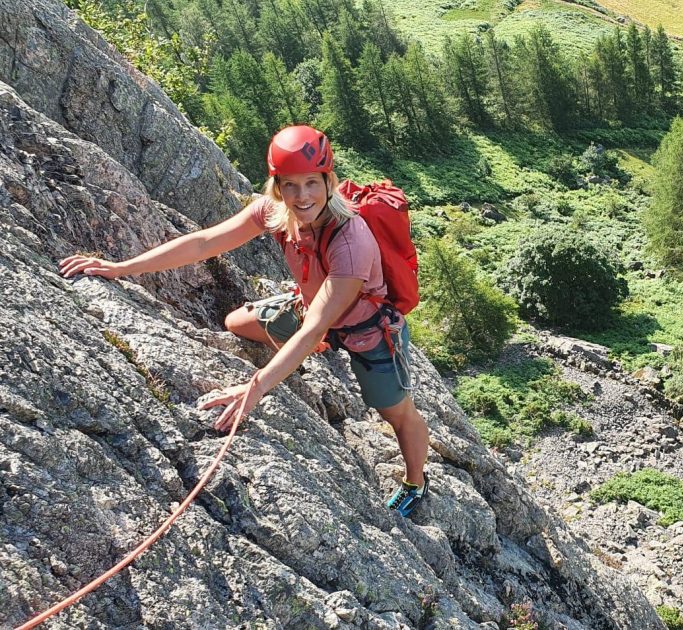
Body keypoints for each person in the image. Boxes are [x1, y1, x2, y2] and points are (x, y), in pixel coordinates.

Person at [59, 125, 430, 517]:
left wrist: (256, 388)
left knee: (394, 411)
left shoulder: (351, 240)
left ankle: (415, 483)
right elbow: (204, 243)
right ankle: (292, 355)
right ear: (277, 187)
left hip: (366, 332)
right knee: (237, 323)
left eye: (311, 183)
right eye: (290, 185)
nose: (302, 196)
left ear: (328, 181)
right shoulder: (273, 213)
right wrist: (121, 268)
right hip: (312, 311)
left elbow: (314, 329)